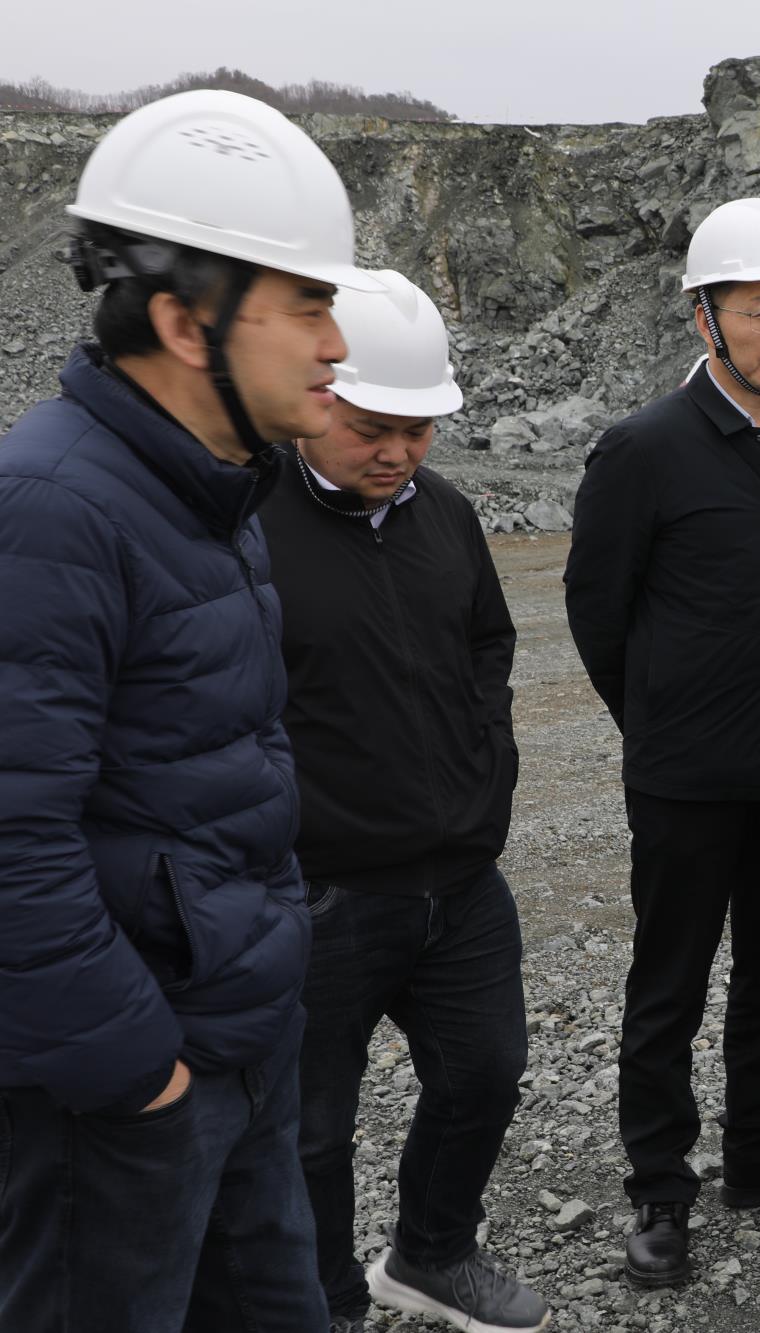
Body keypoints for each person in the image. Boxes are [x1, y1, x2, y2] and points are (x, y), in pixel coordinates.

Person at [0, 89, 382, 1331]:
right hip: (128, 1091)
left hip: (238, 1041)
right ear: (180, 320)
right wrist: (134, 1074)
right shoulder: (52, 508)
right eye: (307, 305)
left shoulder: (210, 491)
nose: (336, 343)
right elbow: (13, 839)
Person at [564, 197, 760, 1292]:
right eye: (758, 311)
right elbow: (597, 613)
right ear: (705, 319)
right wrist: (661, 718)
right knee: (670, 984)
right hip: (688, 775)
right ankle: (659, 1188)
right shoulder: (643, 449)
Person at [260, 269, 548, 1332]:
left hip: (460, 880)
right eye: (373, 429)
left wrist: (487, 768)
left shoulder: (449, 514)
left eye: (418, 431)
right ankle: (326, 1299)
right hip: (321, 893)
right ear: (318, 397)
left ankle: (431, 1253)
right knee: (309, 1128)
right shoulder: (248, 522)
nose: (396, 453)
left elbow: (487, 646)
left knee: (487, 1074)